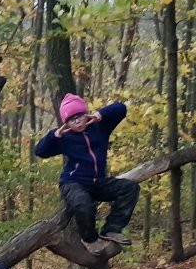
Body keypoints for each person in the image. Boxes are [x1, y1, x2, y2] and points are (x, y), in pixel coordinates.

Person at [34, 93, 140, 256]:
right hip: (73, 183)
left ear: (86, 115)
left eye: (79, 116)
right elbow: (40, 151)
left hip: (98, 182)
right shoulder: (65, 138)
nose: (77, 121)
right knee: (83, 202)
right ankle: (89, 239)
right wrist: (53, 136)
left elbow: (121, 109)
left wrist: (100, 114)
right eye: (72, 119)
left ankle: (112, 229)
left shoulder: (100, 128)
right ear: (66, 123)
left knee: (130, 188)